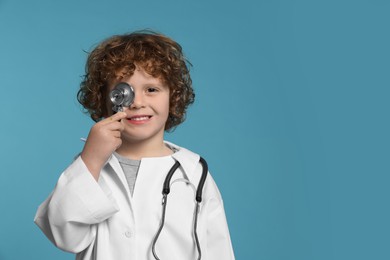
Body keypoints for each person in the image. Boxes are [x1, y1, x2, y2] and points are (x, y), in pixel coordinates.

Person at [34, 30, 235, 260]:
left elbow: (220, 252)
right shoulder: (91, 166)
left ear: (173, 96)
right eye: (123, 92)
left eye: (151, 89)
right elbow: (64, 235)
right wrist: (90, 160)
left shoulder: (194, 173)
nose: (138, 103)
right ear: (104, 99)